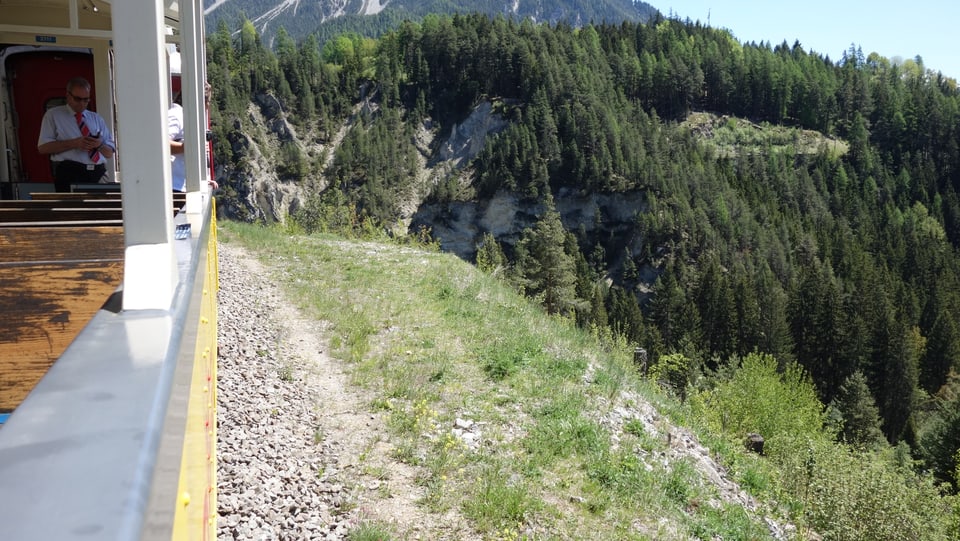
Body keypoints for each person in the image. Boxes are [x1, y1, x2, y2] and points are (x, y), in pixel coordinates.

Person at [37, 77, 116, 192]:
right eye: (78, 99)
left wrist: (98, 145)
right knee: (73, 209)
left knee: (99, 208)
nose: (82, 104)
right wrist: (74, 143)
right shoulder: (53, 115)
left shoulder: (96, 118)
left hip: (97, 172)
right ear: (68, 96)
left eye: (86, 100)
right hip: (70, 171)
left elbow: (109, 153)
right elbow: (43, 148)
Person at [168, 85, 218, 192]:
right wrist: (190, 147)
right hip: (174, 187)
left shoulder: (188, 117)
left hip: (183, 186)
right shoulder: (176, 115)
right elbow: (162, 144)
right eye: (207, 101)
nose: (208, 106)